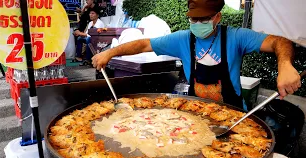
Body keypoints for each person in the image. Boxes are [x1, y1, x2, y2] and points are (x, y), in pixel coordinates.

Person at [92, 0, 301, 109]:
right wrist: (110, 53)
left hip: (233, 117)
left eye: (204, 19)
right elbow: (144, 45)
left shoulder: (237, 37)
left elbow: (278, 42)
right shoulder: (183, 39)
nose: (198, 24)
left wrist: (285, 66)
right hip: (195, 113)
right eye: (194, 20)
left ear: (217, 17)